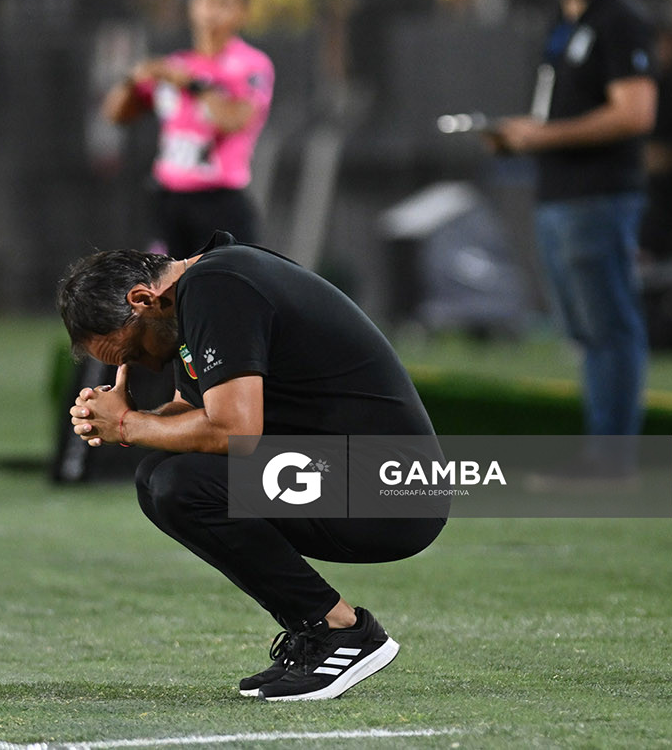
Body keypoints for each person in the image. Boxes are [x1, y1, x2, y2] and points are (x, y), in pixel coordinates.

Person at [57, 231, 445, 701]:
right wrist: (132, 419)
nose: (147, 366)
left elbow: (233, 431)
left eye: (134, 352)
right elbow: (194, 415)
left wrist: (127, 425)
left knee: (179, 485)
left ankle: (343, 632)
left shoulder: (216, 287)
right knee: (160, 478)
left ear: (143, 299)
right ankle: (320, 632)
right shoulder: (200, 288)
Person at [492, 0, 655, 479]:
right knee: (586, 330)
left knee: (610, 325)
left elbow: (635, 113)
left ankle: (613, 458)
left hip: (599, 194)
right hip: (559, 191)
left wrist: (545, 136)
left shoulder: (620, 20)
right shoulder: (564, 24)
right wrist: (522, 137)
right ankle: (600, 451)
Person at [102, 0, 274, 253]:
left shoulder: (251, 65)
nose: (212, 10)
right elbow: (115, 115)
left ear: (242, 12)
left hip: (219, 201)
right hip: (169, 199)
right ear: (192, 5)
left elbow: (234, 120)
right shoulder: (176, 64)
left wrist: (193, 85)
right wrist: (132, 79)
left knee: (225, 290)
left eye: (224, 2)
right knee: (168, 292)